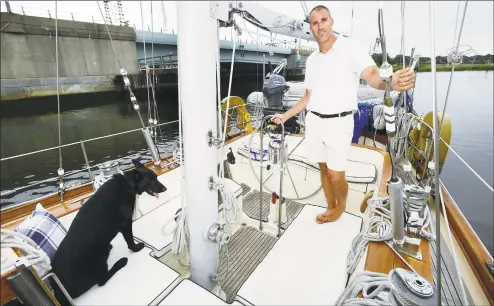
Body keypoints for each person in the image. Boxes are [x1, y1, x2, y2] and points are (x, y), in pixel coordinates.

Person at [271, 5, 415, 224]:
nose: (320, 26)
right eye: (315, 22)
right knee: (323, 168)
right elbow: (307, 97)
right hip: (314, 121)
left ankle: (341, 207)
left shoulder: (350, 47)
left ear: (332, 21)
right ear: (310, 27)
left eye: (323, 20)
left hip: (339, 123)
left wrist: (392, 82)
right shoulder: (312, 60)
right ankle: (331, 206)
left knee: (336, 175)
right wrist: (286, 116)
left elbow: (373, 75)